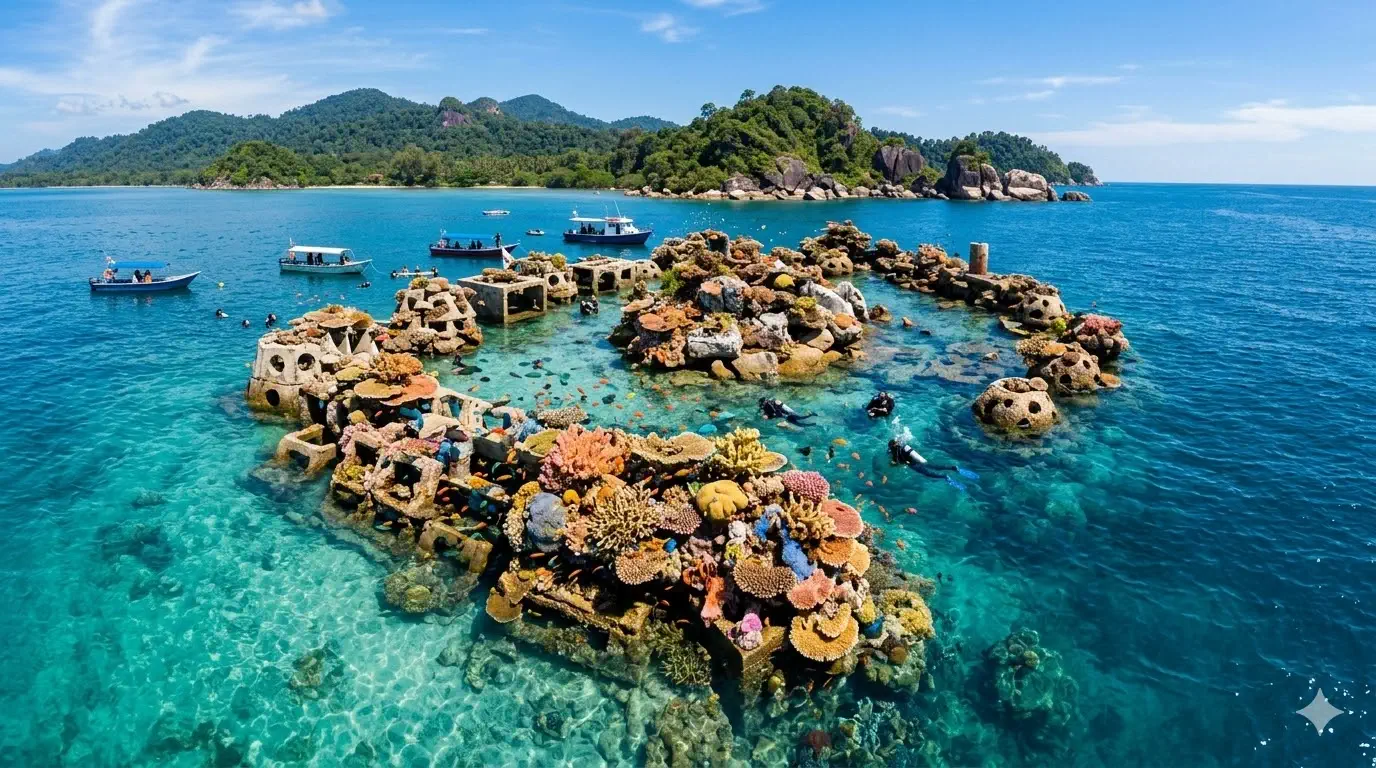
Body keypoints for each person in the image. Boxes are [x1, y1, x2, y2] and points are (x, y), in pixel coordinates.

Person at [888, 439, 979, 489]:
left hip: (914, 465)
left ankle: (945, 477)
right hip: (918, 461)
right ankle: (954, 468)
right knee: (935, 466)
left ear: (891, 447)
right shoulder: (903, 447)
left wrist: (892, 464)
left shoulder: (895, 454)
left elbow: (896, 463)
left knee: (928, 473)